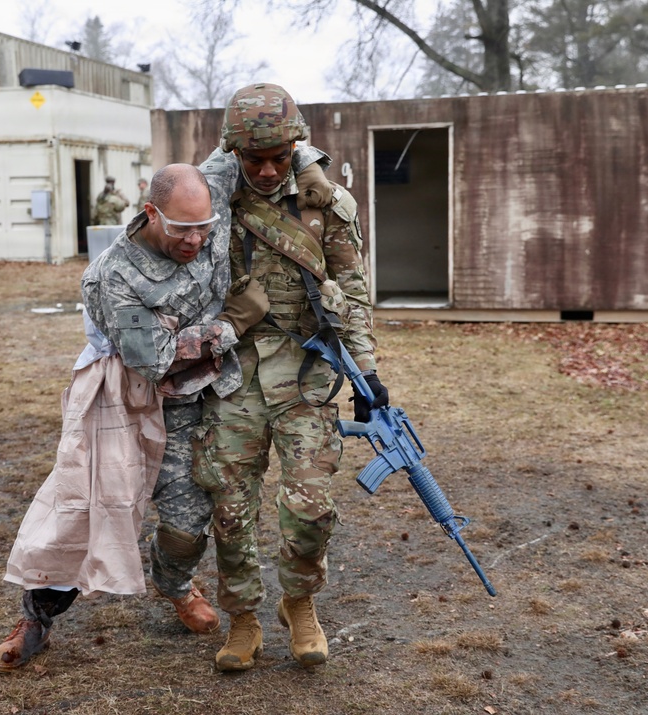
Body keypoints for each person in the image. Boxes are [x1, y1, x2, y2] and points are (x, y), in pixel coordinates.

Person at [0, 164, 270, 672]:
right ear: (151, 213)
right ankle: (36, 618)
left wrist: (305, 162)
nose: (197, 239)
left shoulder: (207, 212)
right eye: (183, 228)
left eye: (205, 226)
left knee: (187, 521)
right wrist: (233, 323)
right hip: (122, 397)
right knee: (82, 506)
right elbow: (155, 357)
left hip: (189, 402)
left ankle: (176, 586)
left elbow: (242, 144)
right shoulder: (112, 274)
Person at [193, 83, 388, 672]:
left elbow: (352, 291)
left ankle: (298, 604)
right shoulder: (207, 199)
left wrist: (368, 374)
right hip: (230, 372)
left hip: (305, 373)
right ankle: (244, 617)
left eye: (281, 156)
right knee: (229, 503)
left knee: (311, 504)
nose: (270, 169)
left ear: (297, 143)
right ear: (232, 151)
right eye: (255, 159)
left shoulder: (327, 203)